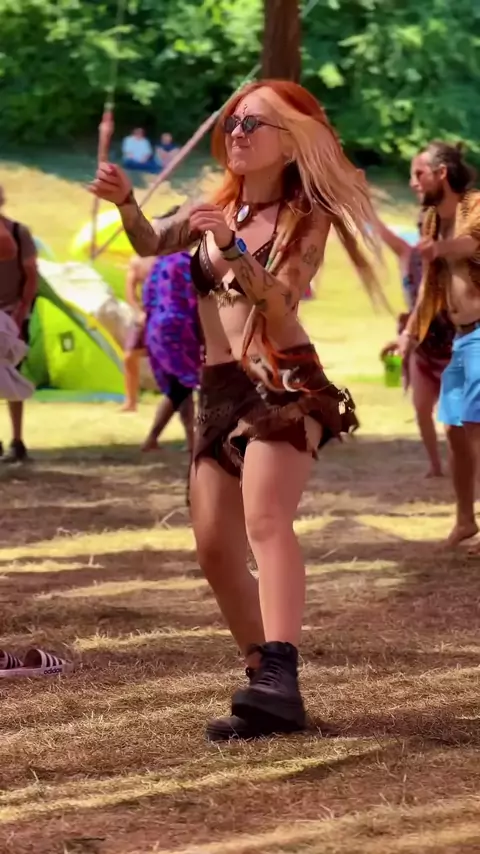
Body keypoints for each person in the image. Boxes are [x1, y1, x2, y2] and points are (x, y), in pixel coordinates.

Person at [91, 79, 386, 741]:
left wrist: (230, 246)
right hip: (218, 389)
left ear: (291, 144)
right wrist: (126, 201)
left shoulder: (305, 218)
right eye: (233, 122)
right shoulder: (214, 209)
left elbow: (278, 303)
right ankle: (264, 684)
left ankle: (281, 672)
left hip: (281, 381)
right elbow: (149, 242)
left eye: (254, 124)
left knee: (266, 520)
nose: (238, 134)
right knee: (213, 546)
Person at [400, 142, 480, 548]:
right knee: (454, 428)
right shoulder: (430, 220)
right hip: (461, 336)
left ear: (442, 173)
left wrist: (440, 249)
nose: (413, 183)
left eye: (419, 174)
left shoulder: (476, 205)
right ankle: (465, 520)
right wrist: (409, 333)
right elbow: (429, 287)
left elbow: (473, 243)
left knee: (477, 427)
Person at [377, 162, 455, 477]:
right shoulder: (407, 255)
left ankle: (463, 464)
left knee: (455, 417)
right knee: (422, 408)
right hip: (421, 344)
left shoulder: (451, 256)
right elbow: (378, 229)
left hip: (454, 344)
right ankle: (436, 466)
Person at [141, 208, 202, 453]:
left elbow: (147, 299)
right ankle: (155, 438)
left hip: (156, 329)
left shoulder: (159, 264)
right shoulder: (186, 264)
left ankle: (188, 439)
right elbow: (196, 302)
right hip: (178, 329)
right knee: (182, 386)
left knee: (180, 386)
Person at [0, 186, 38, 463]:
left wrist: (21, 310)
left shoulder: (17, 232)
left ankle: (17, 440)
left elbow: (31, 274)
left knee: (13, 374)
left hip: (12, 314)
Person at [121, 254, 156, 412]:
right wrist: (138, 312)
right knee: (130, 355)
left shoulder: (172, 256)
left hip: (171, 312)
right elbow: (130, 291)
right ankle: (130, 402)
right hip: (146, 314)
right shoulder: (137, 261)